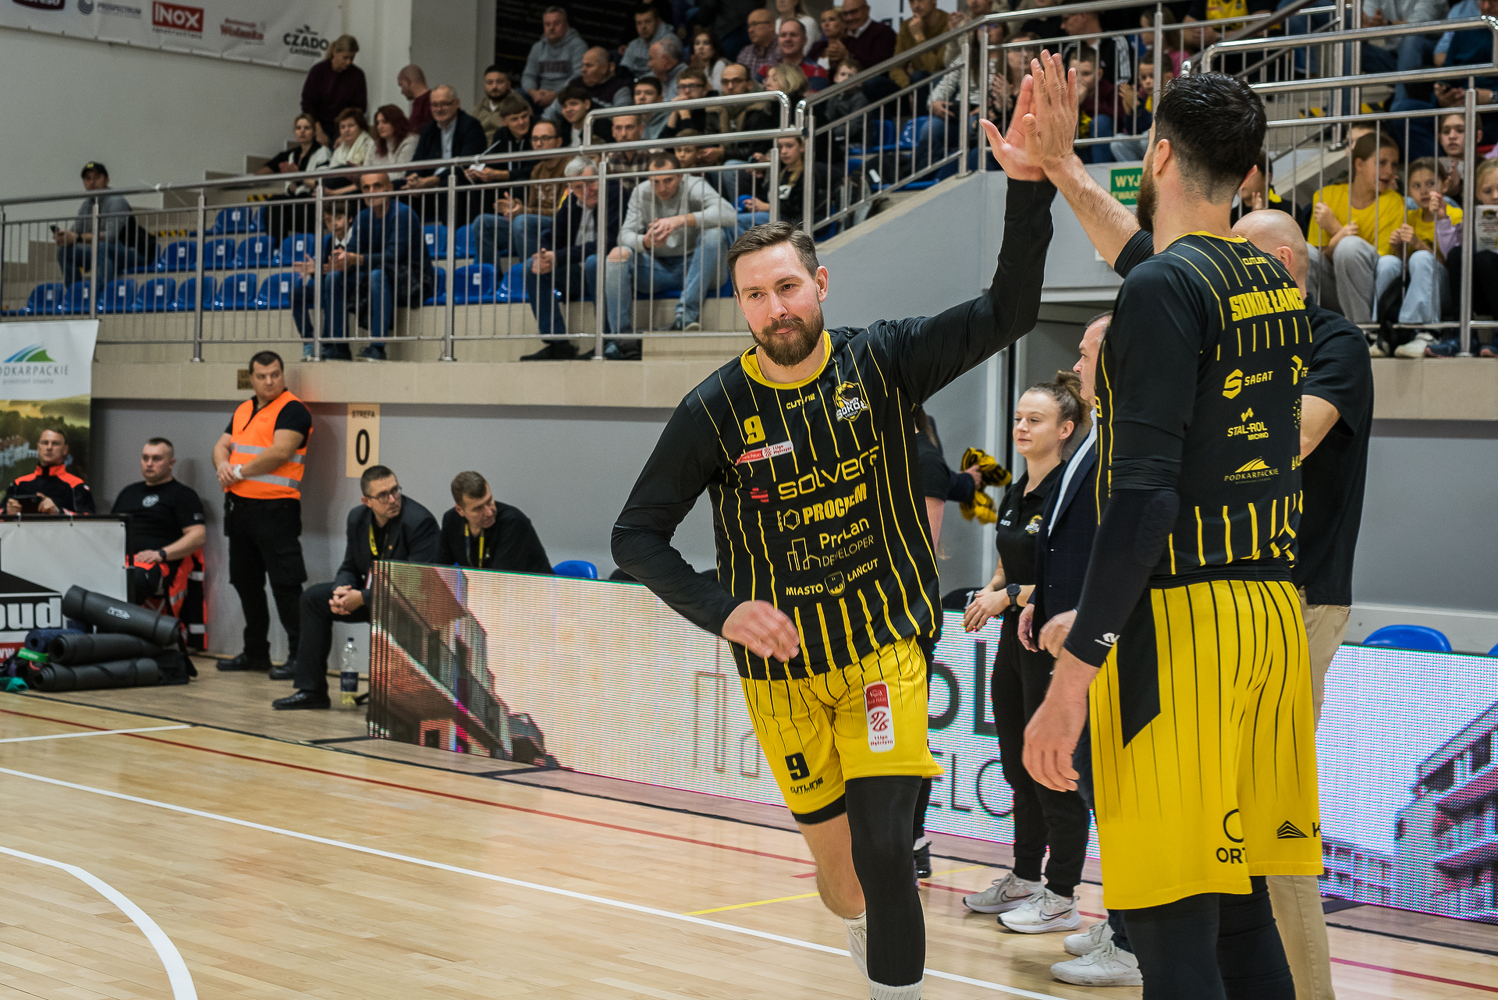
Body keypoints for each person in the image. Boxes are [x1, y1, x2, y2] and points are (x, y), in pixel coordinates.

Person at [611, 95, 1054, 1000]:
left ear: (820, 284)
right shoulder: (713, 411)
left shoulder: (883, 361)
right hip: (781, 677)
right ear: (740, 306)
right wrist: (722, 610)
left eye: (787, 287)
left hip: (882, 649)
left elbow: (1009, 310)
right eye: (755, 295)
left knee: (889, 850)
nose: (774, 307)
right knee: (845, 879)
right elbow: (634, 536)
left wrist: (1027, 187)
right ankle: (860, 925)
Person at [1016, 56, 1320, 998]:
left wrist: (1073, 679)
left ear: (1154, 158)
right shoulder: (1262, 279)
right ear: (1248, 174)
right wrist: (1062, 167)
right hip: (1267, 618)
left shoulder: (1162, 290)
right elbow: (1150, 262)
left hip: (1184, 631)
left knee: (1168, 927)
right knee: (1238, 916)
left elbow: (1146, 500)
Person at [1231, 207, 1373, 1000]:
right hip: (1230, 600)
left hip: (1299, 604)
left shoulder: (1333, 342)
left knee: (1274, 817)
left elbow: (1299, 436)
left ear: (1284, 263)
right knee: (1225, 814)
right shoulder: (1236, 348)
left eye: (1239, 257)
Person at [1016, 313, 1143, 989]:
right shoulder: (1098, 436)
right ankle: (1122, 922)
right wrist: (1039, 597)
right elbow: (1069, 543)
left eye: (1089, 351)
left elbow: (1120, 549)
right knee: (1100, 794)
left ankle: (1132, 940)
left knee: (1115, 799)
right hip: (1067, 630)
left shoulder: (1130, 440)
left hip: (1104, 647)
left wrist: (1084, 614)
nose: (1078, 361)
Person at [960, 375, 1090, 937]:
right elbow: (1005, 563)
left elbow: (1073, 578)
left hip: (1053, 646)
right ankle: (1024, 878)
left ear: (1064, 429)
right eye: (1018, 418)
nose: (1020, 427)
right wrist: (990, 592)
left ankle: (1062, 896)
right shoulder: (1017, 489)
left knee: (1053, 770)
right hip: (1014, 644)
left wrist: (1008, 596)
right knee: (1017, 766)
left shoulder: (1072, 491)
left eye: (1034, 420)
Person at [273, 466, 441, 710]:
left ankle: (399, 700)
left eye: (395, 490)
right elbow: (350, 565)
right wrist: (341, 592)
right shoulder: (357, 518)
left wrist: (362, 597)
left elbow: (417, 585)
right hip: (371, 597)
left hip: (407, 606)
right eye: (383, 495)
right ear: (367, 501)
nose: (392, 499)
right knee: (313, 599)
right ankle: (312, 690)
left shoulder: (419, 522)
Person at [213, 351, 309, 675]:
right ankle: (255, 653)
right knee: (246, 583)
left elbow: (281, 452)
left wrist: (238, 472)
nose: (270, 381)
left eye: (275, 374)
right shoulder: (243, 409)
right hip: (240, 510)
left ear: (283, 374)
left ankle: (300, 659)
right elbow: (221, 445)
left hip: (276, 510)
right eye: (262, 376)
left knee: (286, 585)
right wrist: (222, 466)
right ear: (251, 378)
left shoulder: (293, 409)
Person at [293, 172, 433, 362]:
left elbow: (394, 257)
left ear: (390, 188)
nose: (371, 191)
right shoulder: (362, 217)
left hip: (411, 277)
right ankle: (338, 347)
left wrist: (355, 259)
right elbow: (352, 253)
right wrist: (335, 264)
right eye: (366, 187)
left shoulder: (403, 214)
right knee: (334, 278)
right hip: (376, 274)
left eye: (377, 186)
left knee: (377, 275)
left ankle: (377, 348)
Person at [604, 150, 736, 336]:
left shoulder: (694, 184)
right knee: (617, 254)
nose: (662, 188)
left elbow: (730, 214)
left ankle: (686, 315)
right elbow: (624, 235)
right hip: (656, 268)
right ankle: (620, 338)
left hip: (698, 268)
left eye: (668, 180)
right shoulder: (641, 191)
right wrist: (646, 242)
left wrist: (681, 220)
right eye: (655, 182)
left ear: (680, 176)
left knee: (715, 234)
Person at [521, 157, 620, 360]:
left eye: (590, 182)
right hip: (577, 272)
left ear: (600, 178)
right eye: (578, 187)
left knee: (594, 262)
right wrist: (544, 255)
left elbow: (607, 243)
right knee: (531, 267)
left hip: (609, 271)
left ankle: (608, 340)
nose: (586, 191)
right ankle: (557, 343)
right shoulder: (571, 202)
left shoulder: (615, 194)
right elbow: (551, 235)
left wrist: (558, 257)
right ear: (571, 188)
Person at [1307, 131, 1407, 325]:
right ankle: (1310, 328)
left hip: (1370, 291)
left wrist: (1336, 229)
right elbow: (1319, 254)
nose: (1390, 172)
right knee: (1304, 252)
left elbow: (1380, 261)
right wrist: (1338, 239)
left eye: (1394, 165)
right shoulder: (1326, 195)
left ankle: (1364, 329)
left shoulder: (1395, 202)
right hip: (1333, 289)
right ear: (1359, 164)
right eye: (1382, 163)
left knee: (1349, 246)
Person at [111, 438, 207, 609]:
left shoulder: (183, 495)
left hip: (157, 564)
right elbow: (109, 529)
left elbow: (197, 536)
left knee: (129, 580)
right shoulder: (128, 492)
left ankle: (121, 625)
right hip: (120, 560)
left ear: (171, 463)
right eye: (145, 458)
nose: (149, 463)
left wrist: (161, 554)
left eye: (156, 459)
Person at [473, 118, 568, 267]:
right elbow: (531, 209)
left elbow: (563, 213)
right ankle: (490, 277)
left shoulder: (569, 166)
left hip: (560, 226)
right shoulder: (537, 170)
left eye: (545, 138)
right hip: (535, 226)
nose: (538, 144)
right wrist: (516, 208)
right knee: (483, 222)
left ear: (559, 141)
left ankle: (532, 274)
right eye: (535, 139)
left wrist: (525, 212)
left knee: (522, 221)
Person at [1392, 159, 1461, 354]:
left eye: (1430, 184)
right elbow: (1406, 267)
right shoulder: (1409, 218)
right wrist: (1398, 248)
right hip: (1417, 289)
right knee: (1390, 262)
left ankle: (1426, 330)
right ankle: (1382, 329)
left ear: (1444, 185)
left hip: (1447, 289)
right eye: (1416, 186)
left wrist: (1418, 244)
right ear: (1408, 191)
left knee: (1421, 257)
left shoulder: (1455, 214)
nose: (1423, 191)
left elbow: (1454, 265)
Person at [1432, 157, 1498, 355]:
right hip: (1478, 293)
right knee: (1458, 253)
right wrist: (1443, 218)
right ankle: (1460, 334)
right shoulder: (1471, 219)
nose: (1495, 196)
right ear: (1477, 193)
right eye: (1488, 191)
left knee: (1486, 258)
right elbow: (1450, 255)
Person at [403, 86, 489, 223]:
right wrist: (413, 178)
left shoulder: (471, 126)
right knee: (396, 187)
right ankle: (407, 235)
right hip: (429, 186)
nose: (439, 109)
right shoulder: (428, 129)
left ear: (457, 103)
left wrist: (432, 180)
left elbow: (465, 164)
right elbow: (417, 160)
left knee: (448, 185)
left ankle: (450, 235)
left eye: (444, 104)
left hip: (458, 184)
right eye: (434, 105)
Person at [53, 162, 141, 291]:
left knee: (100, 247)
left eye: (97, 177)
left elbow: (110, 237)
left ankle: (102, 295)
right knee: (64, 252)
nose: (92, 182)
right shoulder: (86, 205)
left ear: (107, 180)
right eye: (88, 179)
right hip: (102, 251)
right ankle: (75, 294)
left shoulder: (117, 201)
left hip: (130, 252)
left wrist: (77, 238)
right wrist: (65, 237)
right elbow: (76, 230)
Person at [440, 472, 553, 571]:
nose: (489, 512)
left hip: (532, 588)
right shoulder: (451, 521)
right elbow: (439, 570)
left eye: (489, 501)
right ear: (460, 510)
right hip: (482, 588)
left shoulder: (513, 523)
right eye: (478, 508)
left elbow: (500, 580)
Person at [736, 135, 832, 236]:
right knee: (734, 214)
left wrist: (767, 206)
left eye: (789, 146)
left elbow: (799, 208)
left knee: (736, 221)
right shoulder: (779, 173)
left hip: (789, 221)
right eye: (780, 147)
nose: (783, 151)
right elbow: (765, 197)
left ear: (802, 147)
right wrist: (754, 204)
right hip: (771, 215)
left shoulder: (807, 174)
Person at [257, 115, 332, 240]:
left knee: (304, 204)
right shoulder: (292, 155)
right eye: (298, 128)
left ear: (314, 132)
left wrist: (299, 176)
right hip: (297, 199)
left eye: (306, 128)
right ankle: (277, 246)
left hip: (313, 199)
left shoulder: (322, 151)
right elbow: (290, 190)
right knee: (274, 204)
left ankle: (308, 244)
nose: (302, 131)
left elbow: (320, 183)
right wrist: (292, 179)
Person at [4, 428, 93, 515]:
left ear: (65, 449)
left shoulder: (76, 485)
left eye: (55, 443)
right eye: (45, 443)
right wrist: (7, 514)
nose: (49, 447)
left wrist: (58, 512)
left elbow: (89, 520)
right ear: (38, 448)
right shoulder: (18, 484)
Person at [302, 35, 367, 142]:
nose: (349, 62)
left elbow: (359, 108)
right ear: (335, 52)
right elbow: (308, 104)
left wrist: (345, 132)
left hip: (344, 126)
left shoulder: (357, 75)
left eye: (352, 58)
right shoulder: (318, 71)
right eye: (345, 58)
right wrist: (318, 131)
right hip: (318, 124)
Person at [524, 6, 588, 113]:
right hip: (539, 97)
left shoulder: (578, 45)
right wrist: (534, 93)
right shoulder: (538, 47)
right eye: (547, 24)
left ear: (566, 25)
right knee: (518, 96)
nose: (551, 28)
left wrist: (554, 94)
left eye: (556, 23)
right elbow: (528, 75)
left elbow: (578, 76)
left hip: (565, 95)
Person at [546, 47, 631, 124]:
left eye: (589, 66)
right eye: (582, 65)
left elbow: (622, 117)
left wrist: (588, 107)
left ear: (607, 67)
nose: (583, 70)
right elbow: (552, 110)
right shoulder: (575, 84)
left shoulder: (620, 88)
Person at [890, 0, 949, 90]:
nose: (916, 5)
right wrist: (907, 86)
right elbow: (896, 67)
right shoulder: (906, 26)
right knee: (874, 83)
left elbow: (935, 67)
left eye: (921, 0)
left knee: (919, 76)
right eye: (912, 1)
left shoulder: (948, 23)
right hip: (914, 85)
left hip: (941, 82)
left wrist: (919, 37)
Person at [323, 107, 375, 196]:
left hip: (359, 191)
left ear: (361, 127)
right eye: (343, 127)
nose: (346, 130)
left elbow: (367, 178)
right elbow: (330, 175)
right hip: (336, 190)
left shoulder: (370, 145)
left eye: (351, 125)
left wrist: (334, 193)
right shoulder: (339, 149)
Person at [766, 18, 830, 86]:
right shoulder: (765, 70)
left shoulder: (816, 71)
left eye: (793, 35)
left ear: (804, 40)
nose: (788, 39)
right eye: (783, 35)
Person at [840, 0, 898, 73]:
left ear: (866, 10)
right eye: (845, 14)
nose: (849, 18)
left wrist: (848, 56)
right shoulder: (844, 38)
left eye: (854, 12)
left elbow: (881, 67)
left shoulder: (883, 32)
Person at [367, 105, 419, 182]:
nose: (380, 126)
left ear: (396, 122)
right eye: (377, 123)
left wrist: (374, 177)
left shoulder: (410, 140)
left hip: (398, 185)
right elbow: (365, 170)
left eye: (385, 122)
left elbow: (401, 174)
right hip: (374, 184)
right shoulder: (374, 144)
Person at [624, 4, 674, 79]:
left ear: (658, 21)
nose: (643, 27)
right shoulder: (633, 45)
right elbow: (624, 69)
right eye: (639, 23)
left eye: (647, 21)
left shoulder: (670, 42)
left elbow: (664, 73)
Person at [737, 9, 782, 82]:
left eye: (755, 24)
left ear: (771, 26)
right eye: (749, 26)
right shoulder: (745, 53)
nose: (750, 30)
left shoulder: (783, 48)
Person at [475, 65, 516, 143]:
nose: (494, 86)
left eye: (499, 82)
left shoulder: (518, 106)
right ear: (485, 85)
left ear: (508, 84)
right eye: (490, 83)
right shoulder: (478, 109)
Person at [808, 7, 850, 75]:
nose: (826, 24)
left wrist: (846, 56)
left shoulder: (852, 44)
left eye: (831, 19)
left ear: (843, 23)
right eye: (823, 21)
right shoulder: (817, 47)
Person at [398, 64, 433, 133]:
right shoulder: (419, 103)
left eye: (401, 85)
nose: (402, 91)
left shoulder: (431, 101)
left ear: (408, 81)